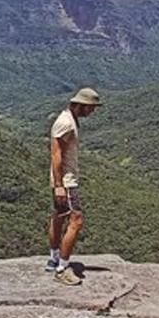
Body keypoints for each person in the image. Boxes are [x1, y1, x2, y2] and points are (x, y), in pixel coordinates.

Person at [47, 87, 102, 285]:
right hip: (66, 181)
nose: (92, 111)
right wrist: (61, 185)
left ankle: (54, 260)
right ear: (80, 105)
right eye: (90, 108)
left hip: (61, 180)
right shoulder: (66, 123)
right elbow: (56, 153)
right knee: (76, 221)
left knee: (59, 217)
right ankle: (62, 268)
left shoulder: (68, 119)